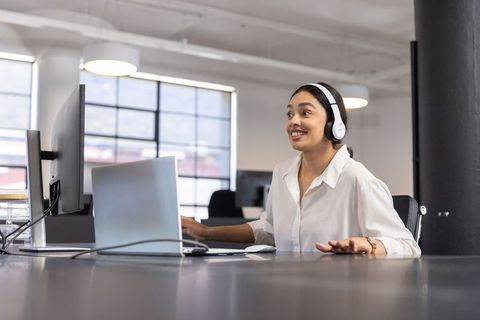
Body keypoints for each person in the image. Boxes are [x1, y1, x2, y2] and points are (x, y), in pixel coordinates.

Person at [182, 82, 421, 256]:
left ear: (333, 124)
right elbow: (269, 230)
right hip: (287, 294)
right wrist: (206, 232)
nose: (293, 121)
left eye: (305, 113)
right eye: (289, 114)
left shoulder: (357, 178)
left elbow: (408, 246)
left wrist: (369, 245)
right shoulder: (282, 172)